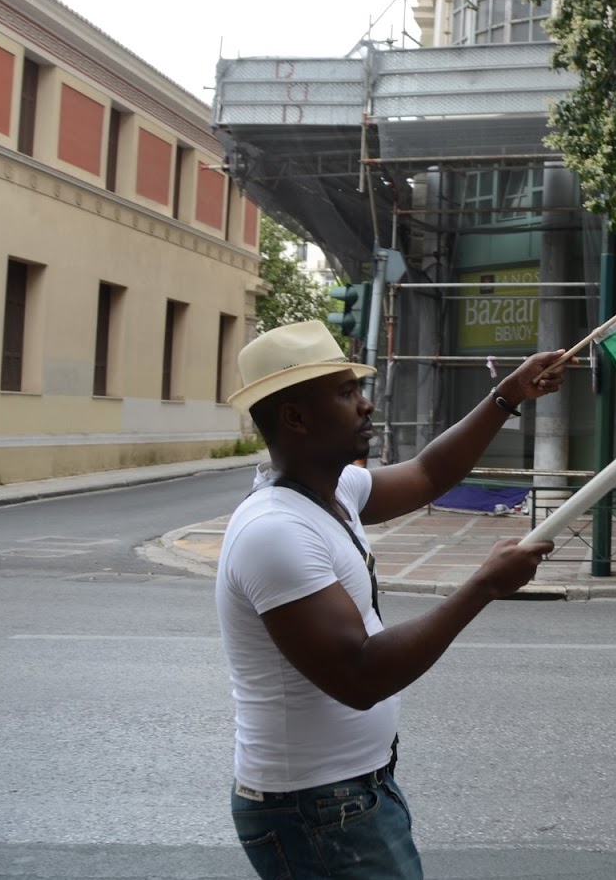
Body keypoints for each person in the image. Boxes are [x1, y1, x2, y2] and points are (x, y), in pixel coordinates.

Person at [217, 319, 566, 879]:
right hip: (315, 807)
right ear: (296, 418)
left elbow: (428, 473)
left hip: (346, 794)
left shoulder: (333, 492)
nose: (366, 404)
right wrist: (483, 586)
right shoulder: (275, 531)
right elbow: (359, 677)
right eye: (345, 393)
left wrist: (507, 395)